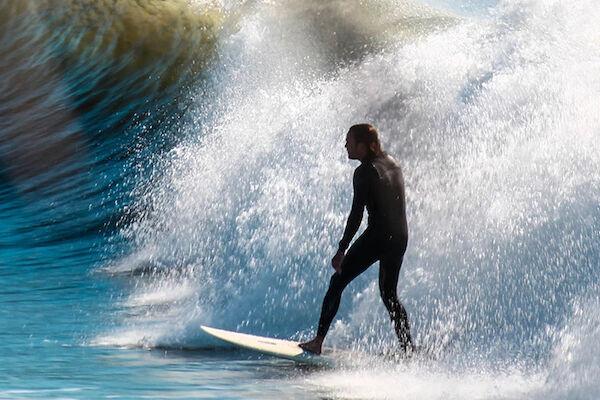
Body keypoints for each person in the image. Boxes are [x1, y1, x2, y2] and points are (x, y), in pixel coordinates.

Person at [299, 124, 413, 355]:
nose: (345, 146)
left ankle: (317, 342)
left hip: (379, 236)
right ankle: (408, 348)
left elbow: (356, 215)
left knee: (337, 282)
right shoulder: (393, 163)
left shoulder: (364, 172)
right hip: (400, 236)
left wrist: (342, 249)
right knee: (389, 295)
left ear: (363, 146)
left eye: (349, 142)